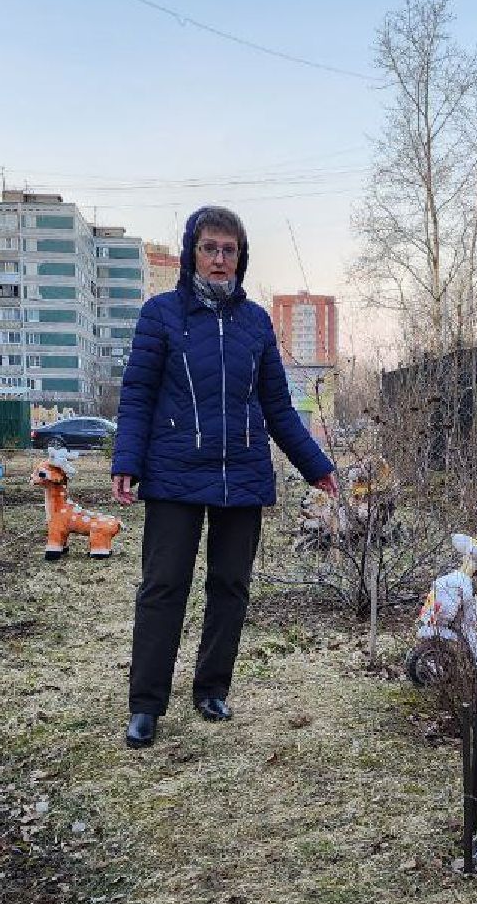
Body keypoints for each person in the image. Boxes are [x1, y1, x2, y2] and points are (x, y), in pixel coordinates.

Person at [111, 206, 337, 749]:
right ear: (193, 251)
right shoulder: (160, 315)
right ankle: (146, 706)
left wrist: (317, 466)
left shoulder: (257, 322)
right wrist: (127, 461)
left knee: (230, 587)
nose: (219, 259)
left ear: (240, 257)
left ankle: (211, 689)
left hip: (242, 473)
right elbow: (138, 395)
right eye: (210, 247)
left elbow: (279, 409)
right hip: (173, 473)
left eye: (228, 250)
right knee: (163, 587)